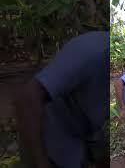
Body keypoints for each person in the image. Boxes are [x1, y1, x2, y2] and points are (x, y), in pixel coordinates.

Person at [12, 31, 109, 168]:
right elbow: (26, 99)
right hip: (46, 140)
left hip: (83, 140)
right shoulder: (93, 51)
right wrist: (41, 163)